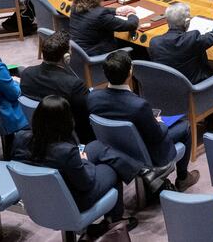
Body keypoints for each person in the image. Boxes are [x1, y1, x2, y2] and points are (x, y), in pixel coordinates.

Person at [12, 95, 133, 232]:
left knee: (97, 146)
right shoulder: (66, 152)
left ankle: (139, 172)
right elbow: (85, 184)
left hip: (38, 198)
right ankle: (114, 224)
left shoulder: (21, 138)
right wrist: (84, 161)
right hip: (71, 201)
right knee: (111, 168)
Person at [89, 52, 200, 191]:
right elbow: (157, 136)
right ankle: (183, 178)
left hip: (115, 148)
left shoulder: (92, 97)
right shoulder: (138, 105)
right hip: (145, 152)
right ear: (130, 72)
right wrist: (159, 122)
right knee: (185, 126)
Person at [20, 31, 94, 143]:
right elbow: (85, 118)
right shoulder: (74, 85)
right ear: (66, 57)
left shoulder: (26, 74)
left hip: (40, 134)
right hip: (69, 139)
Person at [148, 0, 213, 84]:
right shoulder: (192, 39)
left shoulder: (154, 42)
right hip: (195, 90)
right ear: (187, 22)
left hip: (167, 90)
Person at [69, 0, 140, 55]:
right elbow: (131, 25)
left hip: (78, 54)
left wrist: (117, 11)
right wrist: (131, 14)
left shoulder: (75, 5)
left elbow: (96, 11)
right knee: (136, 50)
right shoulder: (100, 16)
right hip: (97, 55)